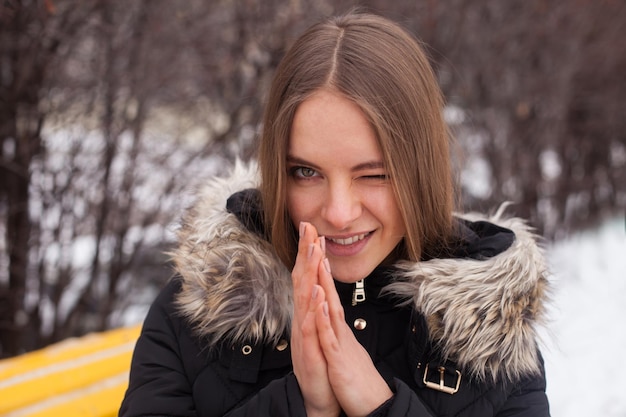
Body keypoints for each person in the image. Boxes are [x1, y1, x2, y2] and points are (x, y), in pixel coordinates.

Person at [119, 10, 551, 417]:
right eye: (306, 172)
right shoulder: (198, 307)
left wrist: (381, 405)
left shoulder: (493, 336)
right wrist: (303, 405)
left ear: (420, 171)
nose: (339, 214)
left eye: (374, 174)